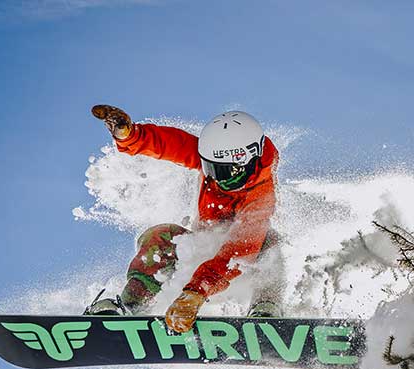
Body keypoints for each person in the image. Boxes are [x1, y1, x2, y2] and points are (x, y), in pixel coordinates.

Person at [85, 105, 283, 333]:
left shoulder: (262, 195)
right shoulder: (216, 157)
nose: (216, 178)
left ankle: (265, 309)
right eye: (211, 168)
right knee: (163, 234)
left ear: (247, 161)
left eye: (225, 171)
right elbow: (170, 144)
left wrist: (196, 292)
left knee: (270, 242)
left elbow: (240, 251)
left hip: (239, 266)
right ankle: (129, 306)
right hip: (201, 257)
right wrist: (131, 135)